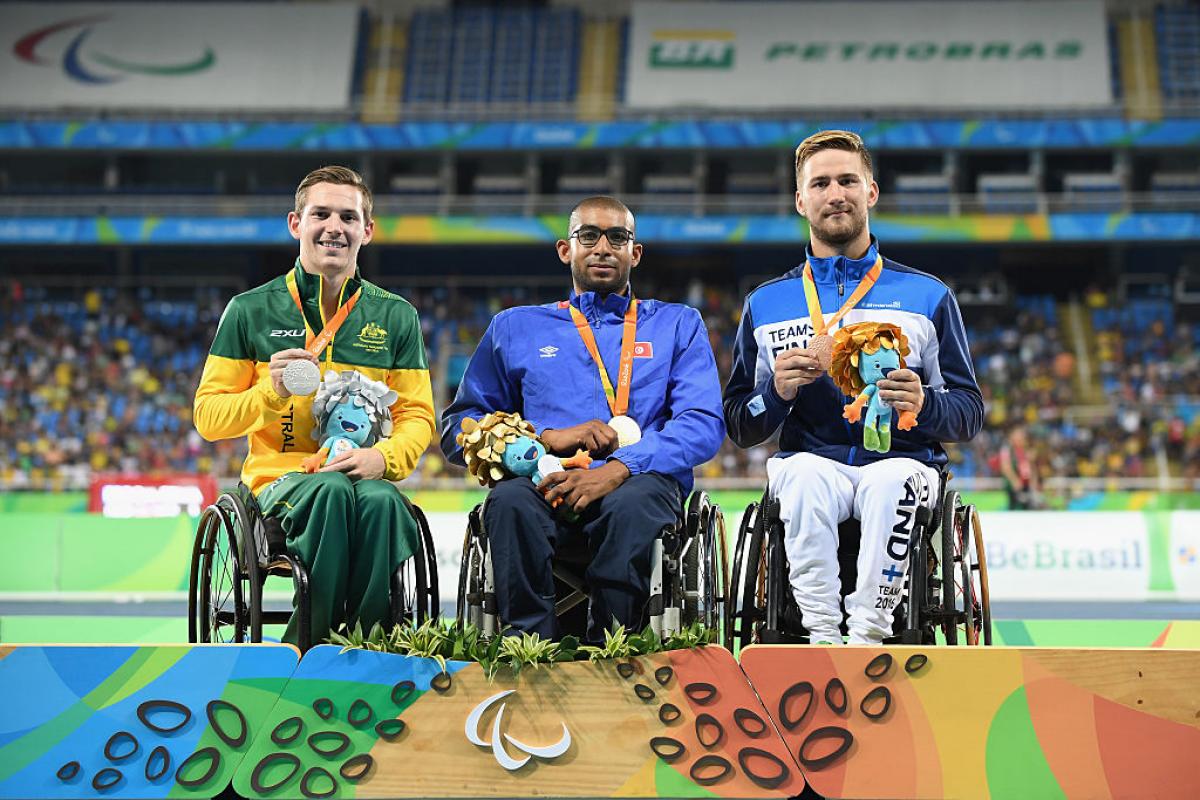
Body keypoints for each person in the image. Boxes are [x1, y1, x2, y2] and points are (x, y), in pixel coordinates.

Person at [723, 131, 983, 645]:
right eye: (820, 183)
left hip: (903, 463)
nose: (835, 193)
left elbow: (969, 411)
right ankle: (821, 636)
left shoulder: (928, 296)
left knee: (891, 483)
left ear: (872, 192)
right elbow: (739, 422)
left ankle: (868, 634)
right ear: (801, 200)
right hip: (815, 462)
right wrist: (775, 392)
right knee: (799, 478)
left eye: (848, 180)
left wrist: (926, 404)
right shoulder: (765, 303)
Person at [440, 196, 725, 642]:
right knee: (509, 502)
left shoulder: (677, 324)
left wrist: (618, 469)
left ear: (636, 252)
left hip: (639, 484)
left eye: (618, 237)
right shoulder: (515, 327)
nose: (603, 247)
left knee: (632, 505)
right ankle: (528, 647)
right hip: (543, 482)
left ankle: (611, 649)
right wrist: (544, 440)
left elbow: (703, 423)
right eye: (588, 235)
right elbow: (460, 429)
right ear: (565, 249)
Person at [194, 165, 435, 646]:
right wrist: (271, 392)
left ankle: (369, 644)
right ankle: (310, 644)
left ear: (366, 231)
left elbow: (416, 416)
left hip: (358, 474)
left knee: (386, 502)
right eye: (320, 213)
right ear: (295, 223)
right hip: (281, 481)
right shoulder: (251, 311)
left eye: (348, 217)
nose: (334, 227)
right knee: (328, 492)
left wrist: (383, 458)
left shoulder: (395, 316)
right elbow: (209, 418)